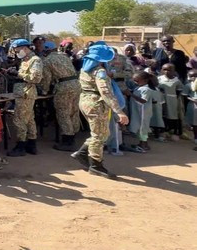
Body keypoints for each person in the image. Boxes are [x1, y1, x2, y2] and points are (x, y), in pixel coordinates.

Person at [72, 44, 129, 179]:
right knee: (99, 135)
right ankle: (96, 165)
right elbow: (106, 92)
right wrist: (119, 111)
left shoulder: (85, 70)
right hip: (97, 104)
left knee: (100, 132)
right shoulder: (100, 72)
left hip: (86, 101)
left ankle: (82, 153)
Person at [40, 41, 82, 151]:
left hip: (63, 86)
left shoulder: (47, 60)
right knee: (73, 111)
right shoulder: (64, 56)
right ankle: (73, 136)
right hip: (76, 84)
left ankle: (68, 141)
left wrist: (44, 91)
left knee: (63, 113)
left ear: (46, 50)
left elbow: (47, 78)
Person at [8, 39, 43, 157]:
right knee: (29, 119)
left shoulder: (35, 60)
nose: (16, 53)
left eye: (17, 50)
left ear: (24, 48)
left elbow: (36, 78)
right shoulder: (25, 60)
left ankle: (21, 145)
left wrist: (17, 74)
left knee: (19, 119)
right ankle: (31, 144)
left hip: (26, 94)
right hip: (22, 93)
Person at [128, 72, 154, 153]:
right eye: (134, 81)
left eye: (137, 81)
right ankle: (142, 143)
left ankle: (143, 145)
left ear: (145, 80)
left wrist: (131, 95)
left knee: (143, 128)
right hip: (138, 112)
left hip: (143, 112)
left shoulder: (146, 89)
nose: (135, 83)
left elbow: (143, 100)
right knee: (140, 128)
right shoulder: (139, 88)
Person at [158, 63, 184, 141]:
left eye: (169, 70)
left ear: (173, 71)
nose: (166, 72)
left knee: (173, 115)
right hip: (161, 100)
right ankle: (162, 132)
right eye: (164, 69)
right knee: (162, 115)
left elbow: (178, 91)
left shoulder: (176, 81)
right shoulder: (159, 79)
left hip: (172, 100)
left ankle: (173, 132)